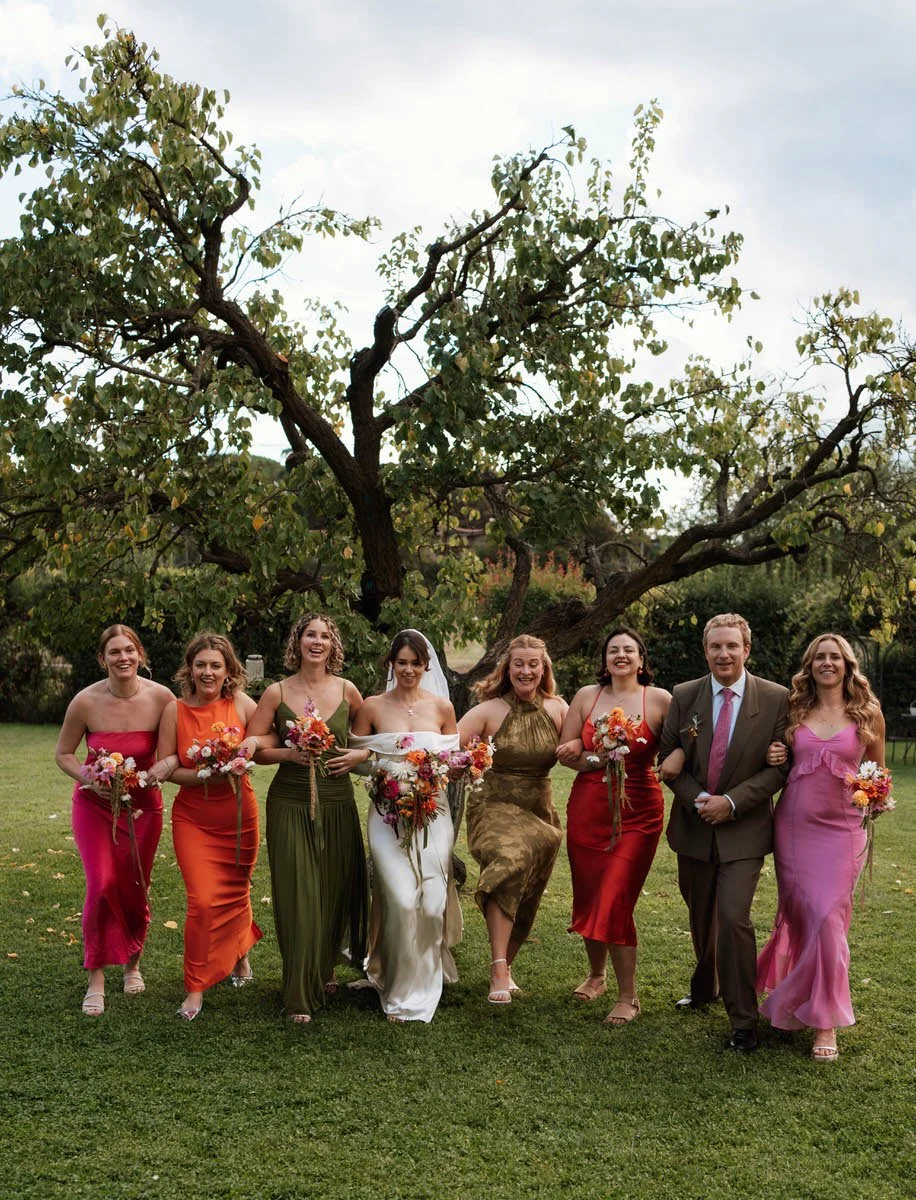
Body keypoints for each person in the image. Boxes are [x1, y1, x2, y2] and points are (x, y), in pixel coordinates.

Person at [658, 613, 788, 1052]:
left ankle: (743, 1020)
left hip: (744, 830)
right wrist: (701, 800)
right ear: (706, 651)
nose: (723, 654)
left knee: (733, 918)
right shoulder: (685, 695)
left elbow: (779, 770)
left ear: (746, 649)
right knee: (700, 917)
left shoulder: (774, 699)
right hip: (694, 827)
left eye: (732, 646)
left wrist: (730, 803)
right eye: (715, 646)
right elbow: (669, 758)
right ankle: (704, 987)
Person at [756, 634, 886, 1061]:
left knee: (829, 916)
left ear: (848, 665)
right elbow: (776, 756)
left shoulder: (868, 713)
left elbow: (878, 771)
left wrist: (878, 796)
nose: (827, 663)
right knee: (802, 913)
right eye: (819, 658)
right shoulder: (793, 710)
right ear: (809, 666)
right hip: (795, 826)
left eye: (835, 657)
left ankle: (825, 1022)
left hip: (844, 829)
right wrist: (776, 753)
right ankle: (798, 997)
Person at [247, 613, 369, 1025]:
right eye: (309, 635)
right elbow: (257, 748)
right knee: (299, 893)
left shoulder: (349, 691)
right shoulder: (276, 692)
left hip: (337, 800)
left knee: (333, 888)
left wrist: (360, 755)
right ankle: (297, 990)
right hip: (290, 800)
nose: (317, 642)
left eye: (324, 636)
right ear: (297, 642)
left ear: (333, 645)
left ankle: (324, 967)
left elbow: (371, 739)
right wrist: (289, 753)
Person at [55, 624, 174, 1015]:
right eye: (114, 652)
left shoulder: (162, 699)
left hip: (143, 808)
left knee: (135, 885)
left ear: (140, 654)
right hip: (95, 805)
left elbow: (169, 757)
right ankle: (96, 975)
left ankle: (133, 962)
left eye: (129, 650)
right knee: (102, 882)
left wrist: (162, 768)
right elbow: (64, 754)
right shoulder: (85, 701)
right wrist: (91, 777)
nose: (123, 658)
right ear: (102, 659)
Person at [556, 627, 671, 1025]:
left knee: (616, 895)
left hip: (639, 811)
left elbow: (678, 752)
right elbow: (568, 753)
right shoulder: (587, 696)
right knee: (589, 893)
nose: (621, 656)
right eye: (613, 650)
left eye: (629, 650)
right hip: (589, 807)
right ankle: (596, 975)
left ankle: (628, 997)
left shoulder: (659, 699)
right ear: (605, 660)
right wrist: (595, 758)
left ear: (641, 659)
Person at [350, 629, 460, 1022]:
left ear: (426, 665)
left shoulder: (443, 708)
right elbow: (358, 758)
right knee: (398, 898)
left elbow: (452, 761)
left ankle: (426, 977)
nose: (409, 669)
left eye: (416, 663)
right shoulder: (372, 706)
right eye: (402, 662)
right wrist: (385, 769)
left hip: (434, 814)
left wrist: (454, 766)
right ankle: (399, 988)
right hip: (387, 814)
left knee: (431, 903)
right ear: (391, 664)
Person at [154, 633, 263, 1020]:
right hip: (193, 819)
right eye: (201, 664)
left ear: (228, 670)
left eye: (216, 665)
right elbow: (168, 767)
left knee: (236, 892)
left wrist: (248, 746)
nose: (208, 671)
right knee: (201, 902)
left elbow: (265, 737)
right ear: (190, 668)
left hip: (239, 815)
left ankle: (239, 957)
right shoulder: (175, 710)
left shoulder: (241, 703)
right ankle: (196, 988)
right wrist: (205, 773)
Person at [457, 635, 567, 1004]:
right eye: (519, 663)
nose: (526, 670)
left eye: (533, 664)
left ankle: (506, 963)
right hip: (493, 804)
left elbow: (579, 749)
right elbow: (448, 748)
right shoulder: (488, 711)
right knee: (509, 858)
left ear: (543, 668)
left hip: (540, 809)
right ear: (508, 669)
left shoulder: (557, 709)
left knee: (528, 886)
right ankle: (499, 967)